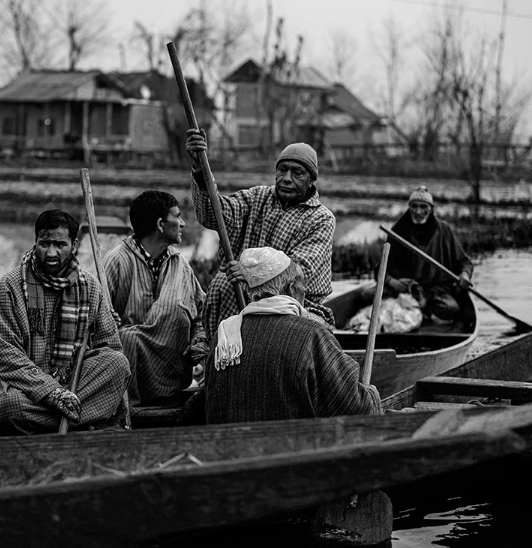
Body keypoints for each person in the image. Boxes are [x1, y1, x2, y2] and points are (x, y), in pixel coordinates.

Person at [0, 209, 131, 434]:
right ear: (35, 242)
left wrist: (67, 389)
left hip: (73, 385)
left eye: (60, 245)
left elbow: (109, 346)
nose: (51, 252)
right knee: (10, 407)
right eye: (44, 244)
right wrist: (51, 392)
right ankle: (83, 419)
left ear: (74, 245)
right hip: (22, 387)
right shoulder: (9, 287)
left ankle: (61, 416)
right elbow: (6, 358)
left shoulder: (90, 287)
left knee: (117, 364)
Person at [185, 129, 336, 340]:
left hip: (294, 301)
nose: (287, 179)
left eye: (297, 173)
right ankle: (220, 354)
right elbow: (215, 215)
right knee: (223, 284)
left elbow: (298, 271)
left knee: (253, 297)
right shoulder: (258, 197)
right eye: (282, 170)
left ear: (311, 180)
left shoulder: (321, 218)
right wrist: (202, 170)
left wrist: (250, 273)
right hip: (241, 294)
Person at [205, 247, 382, 424]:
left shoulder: (224, 336)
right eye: (302, 283)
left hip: (230, 447)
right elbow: (353, 408)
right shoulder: (313, 334)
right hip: (291, 445)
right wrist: (371, 394)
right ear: (291, 289)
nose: (305, 289)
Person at [104, 191, 208, 406]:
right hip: (130, 382)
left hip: (174, 379)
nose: (182, 223)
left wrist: (199, 339)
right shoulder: (117, 261)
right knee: (128, 338)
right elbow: (100, 322)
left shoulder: (180, 265)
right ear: (161, 224)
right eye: (177, 217)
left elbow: (201, 314)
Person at [381, 185, 473, 324]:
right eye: (415, 206)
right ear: (409, 207)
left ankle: (423, 311)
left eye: (423, 207)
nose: (418, 211)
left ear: (430, 209)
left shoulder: (443, 230)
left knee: (452, 308)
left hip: (434, 289)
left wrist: (464, 275)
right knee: (365, 296)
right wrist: (392, 282)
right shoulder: (398, 230)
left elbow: (464, 262)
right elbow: (382, 268)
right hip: (406, 288)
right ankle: (418, 311)